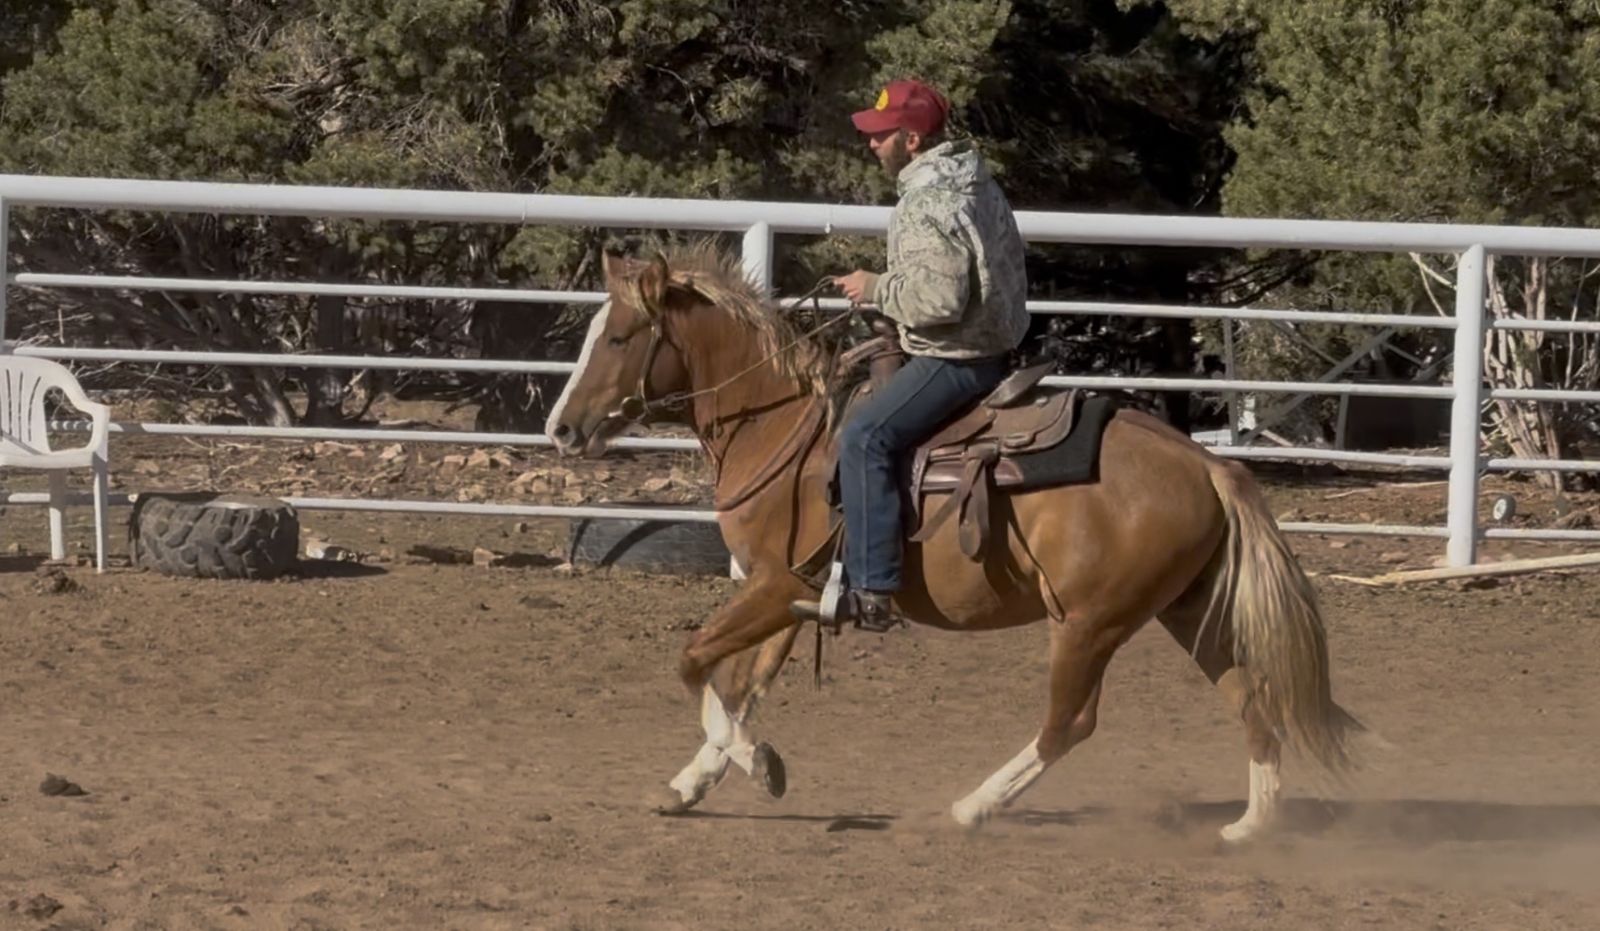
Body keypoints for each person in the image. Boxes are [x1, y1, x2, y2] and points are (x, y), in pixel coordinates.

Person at [791, 78, 1031, 632]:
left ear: (913, 140)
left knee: (864, 436)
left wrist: (876, 288)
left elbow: (941, 301)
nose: (872, 145)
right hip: (993, 345)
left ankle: (873, 588)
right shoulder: (975, 182)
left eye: (882, 136)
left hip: (957, 358)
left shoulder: (926, 202)